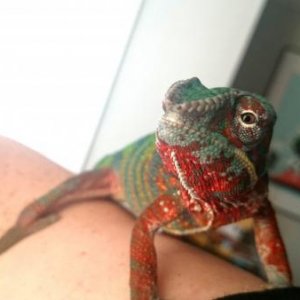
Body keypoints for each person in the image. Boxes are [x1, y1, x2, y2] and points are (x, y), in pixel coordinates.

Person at [0, 136, 297, 300]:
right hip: (115, 173)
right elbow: (144, 228)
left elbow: (262, 214)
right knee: (65, 191)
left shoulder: (250, 194)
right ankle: (28, 217)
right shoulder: (183, 187)